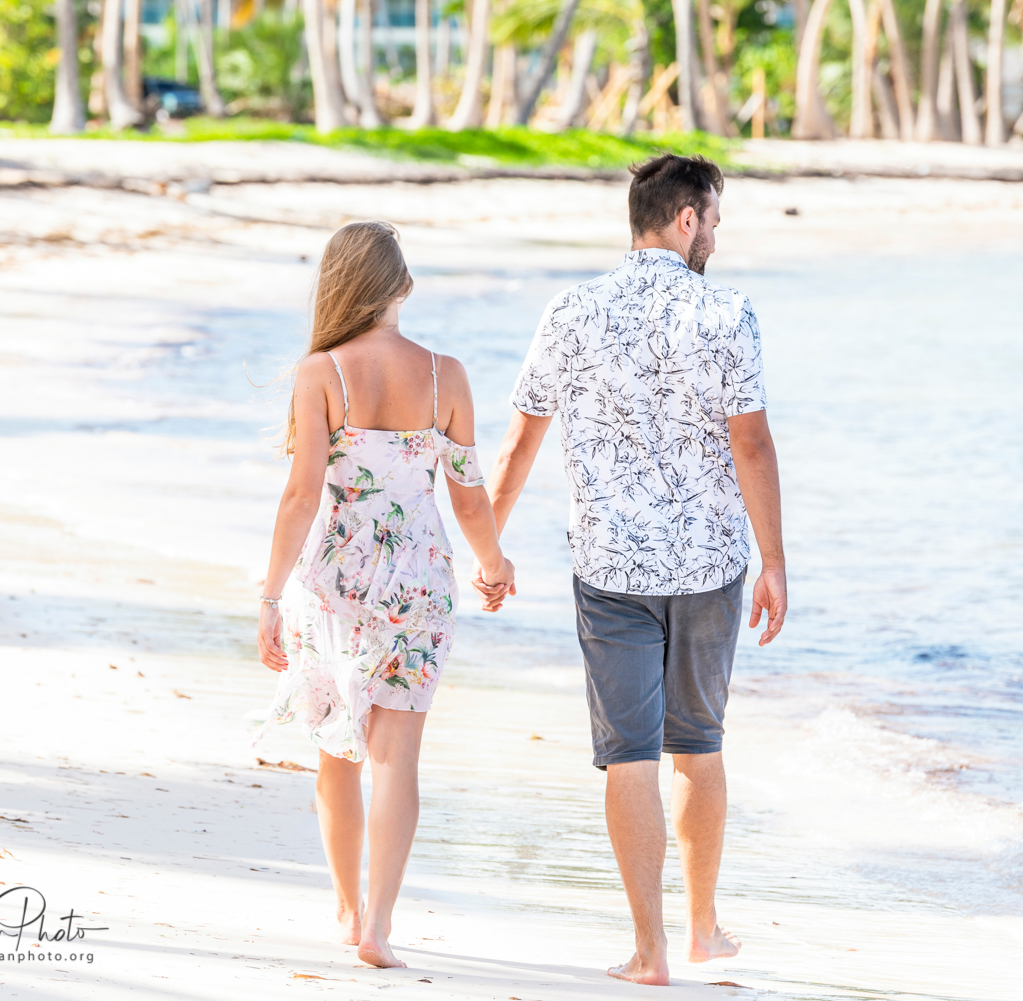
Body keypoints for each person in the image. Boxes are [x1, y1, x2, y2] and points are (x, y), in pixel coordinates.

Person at [476, 154, 786, 986]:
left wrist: (488, 551)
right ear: (686, 219)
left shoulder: (570, 311)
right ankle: (703, 927)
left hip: (610, 567)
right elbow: (752, 445)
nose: (715, 235)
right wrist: (775, 562)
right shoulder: (728, 312)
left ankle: (649, 950)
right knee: (699, 745)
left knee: (629, 756)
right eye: (713, 220)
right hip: (710, 566)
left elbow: (519, 444)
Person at [251, 221, 514, 970]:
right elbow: (469, 496)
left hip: (335, 576)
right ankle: (379, 924)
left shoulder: (321, 373)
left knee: (338, 750)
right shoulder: (445, 375)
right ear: (403, 286)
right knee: (398, 755)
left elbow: (302, 494)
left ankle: (344, 909)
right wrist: (493, 564)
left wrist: (270, 595)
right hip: (419, 576)